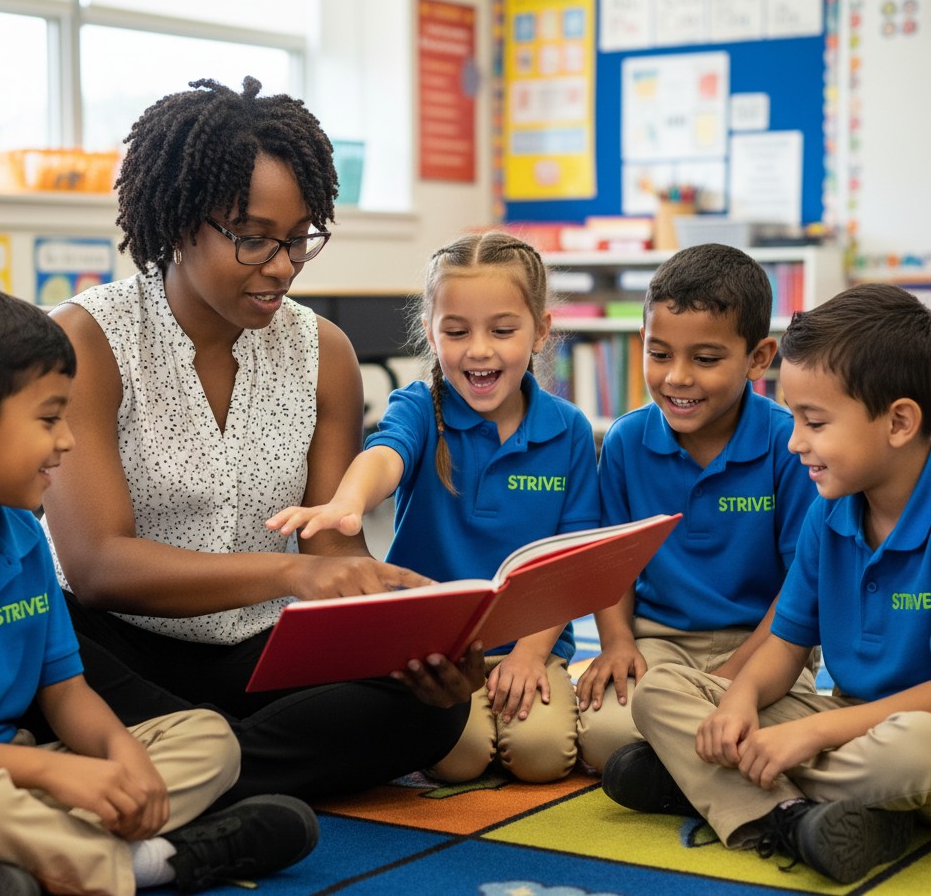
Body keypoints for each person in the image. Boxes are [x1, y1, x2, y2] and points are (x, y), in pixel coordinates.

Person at [38, 75, 481, 808]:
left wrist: (409, 632)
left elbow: (332, 545)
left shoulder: (325, 353)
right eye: (252, 238)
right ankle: (215, 766)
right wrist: (288, 576)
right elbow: (97, 565)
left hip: (263, 649)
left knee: (435, 707)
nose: (282, 265)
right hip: (116, 640)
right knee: (37, 646)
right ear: (181, 222)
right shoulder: (88, 339)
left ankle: (184, 770)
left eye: (300, 236)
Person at [0, 285, 319, 896]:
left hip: (11, 774)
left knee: (207, 739)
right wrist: (49, 769)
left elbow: (65, 690)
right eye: (49, 419)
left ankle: (14, 864)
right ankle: (150, 864)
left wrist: (117, 753)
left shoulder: (20, 530)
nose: (68, 440)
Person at [602, 282, 931, 885]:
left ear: (900, 422)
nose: (795, 440)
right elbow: (785, 644)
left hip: (906, 728)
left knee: (915, 751)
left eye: (815, 422)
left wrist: (813, 733)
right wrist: (740, 700)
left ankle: (712, 784)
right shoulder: (828, 513)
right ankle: (793, 817)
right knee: (661, 693)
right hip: (846, 718)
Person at [269, 232, 600, 783]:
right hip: (435, 652)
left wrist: (529, 655)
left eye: (502, 329)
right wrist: (347, 502)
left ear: (541, 331)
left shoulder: (568, 430)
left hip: (533, 643)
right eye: (456, 331)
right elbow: (385, 455)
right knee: (456, 761)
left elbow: (571, 562)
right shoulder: (419, 406)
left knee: (543, 759)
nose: (478, 349)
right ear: (430, 332)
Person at [575, 243, 818, 771]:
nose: (678, 378)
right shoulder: (624, 442)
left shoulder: (789, 446)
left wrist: (734, 677)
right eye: (659, 354)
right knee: (604, 739)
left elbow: (802, 585)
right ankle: (713, 764)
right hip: (662, 642)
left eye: (705, 360)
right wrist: (616, 643)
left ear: (758, 358)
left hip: (770, 643)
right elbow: (611, 564)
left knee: (768, 720)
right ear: (642, 343)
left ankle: (671, 775)